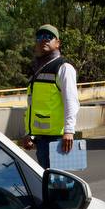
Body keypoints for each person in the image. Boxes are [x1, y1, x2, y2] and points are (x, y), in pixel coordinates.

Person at [19, 24, 78, 169]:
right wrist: (28, 133)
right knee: (48, 179)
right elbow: (32, 105)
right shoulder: (37, 70)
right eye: (40, 37)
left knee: (58, 181)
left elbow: (71, 101)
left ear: (57, 43)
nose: (43, 40)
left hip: (58, 140)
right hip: (41, 140)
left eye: (48, 37)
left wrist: (69, 131)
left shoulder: (64, 68)